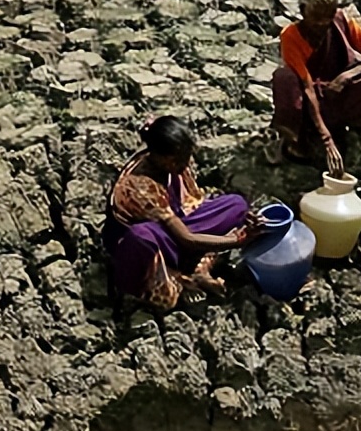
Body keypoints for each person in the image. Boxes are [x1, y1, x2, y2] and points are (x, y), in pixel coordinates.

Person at [102, 115, 263, 311]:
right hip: (156, 244)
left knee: (236, 205)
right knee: (141, 238)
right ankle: (179, 277)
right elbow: (187, 238)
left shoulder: (171, 164)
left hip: (177, 227)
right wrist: (236, 240)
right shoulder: (139, 186)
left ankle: (197, 267)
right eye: (180, 160)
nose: (186, 165)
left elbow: (190, 207)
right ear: (163, 158)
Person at [270, 0, 361, 176]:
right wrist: (327, 140)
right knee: (284, 78)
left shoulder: (341, 21)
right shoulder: (291, 36)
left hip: (340, 95)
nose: (322, 23)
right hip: (310, 104)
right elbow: (307, 87)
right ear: (303, 9)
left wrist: (349, 75)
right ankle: (298, 142)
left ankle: (360, 124)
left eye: (327, 16)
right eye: (316, 17)